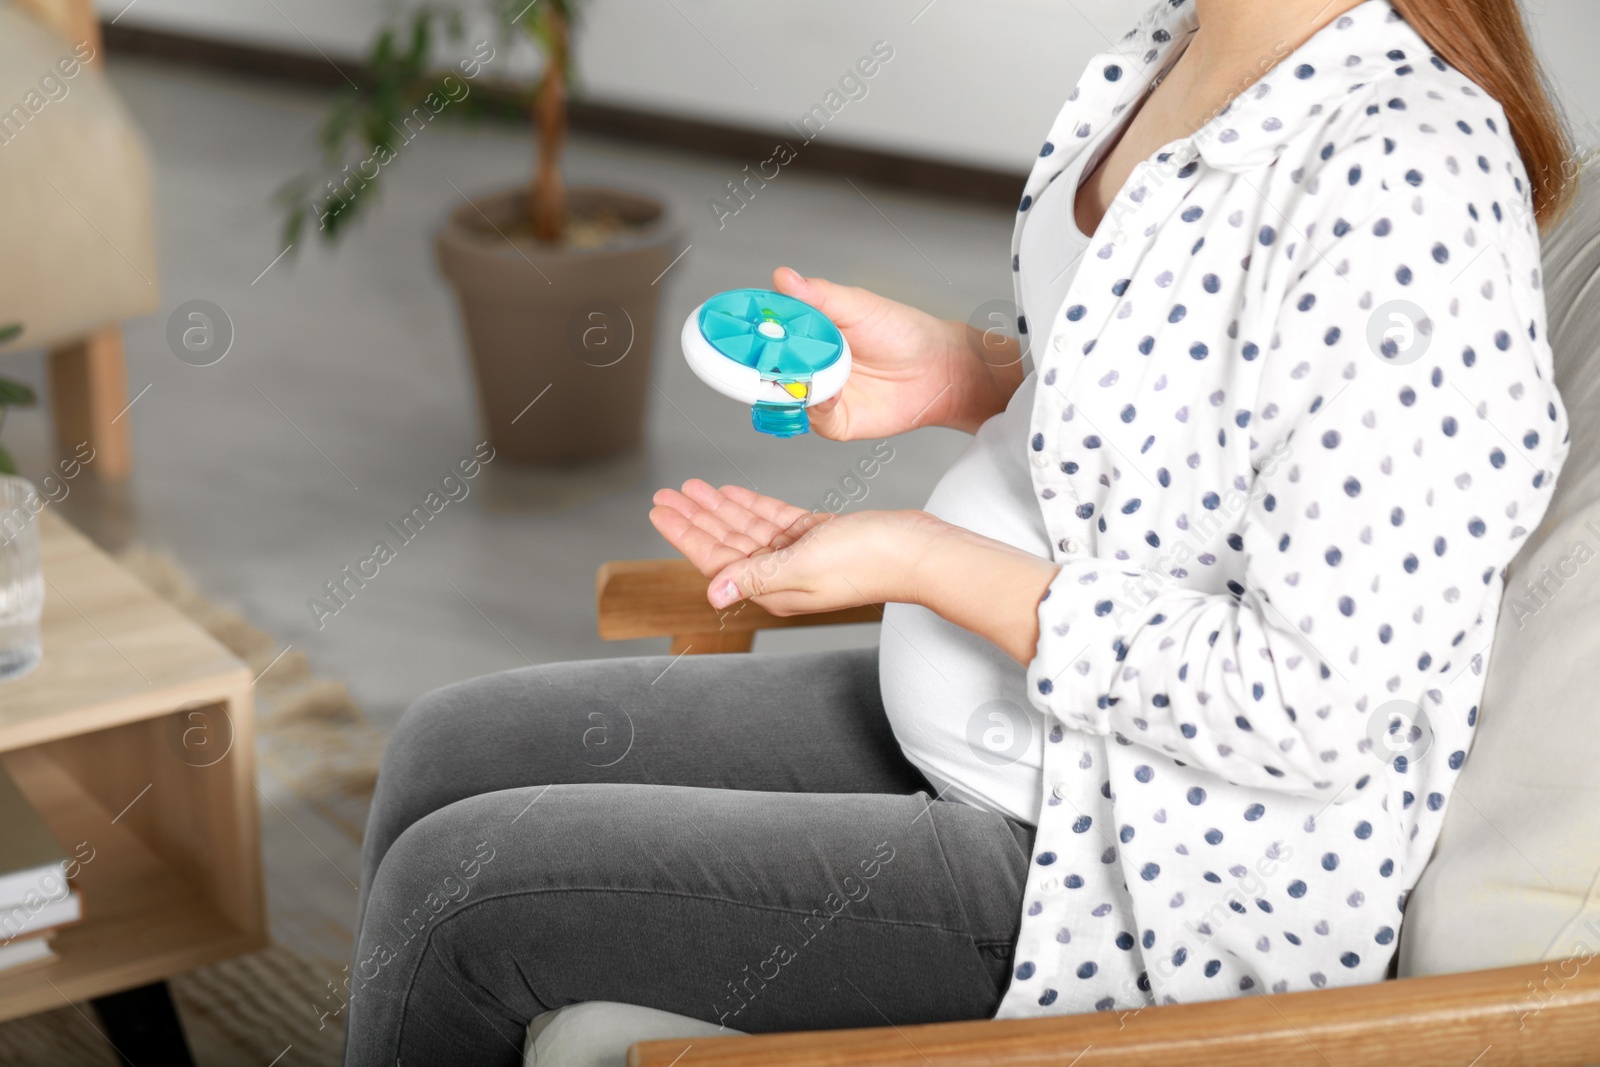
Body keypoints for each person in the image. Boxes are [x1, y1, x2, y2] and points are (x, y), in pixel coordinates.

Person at [343, 0, 1574, 1062]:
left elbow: (1303, 699)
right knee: (451, 745)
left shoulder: (1408, 181)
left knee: (461, 898)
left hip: (1130, 866)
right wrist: (968, 373)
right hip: (1012, 728)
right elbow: (1200, 419)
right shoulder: (1179, 42)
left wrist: (915, 561)